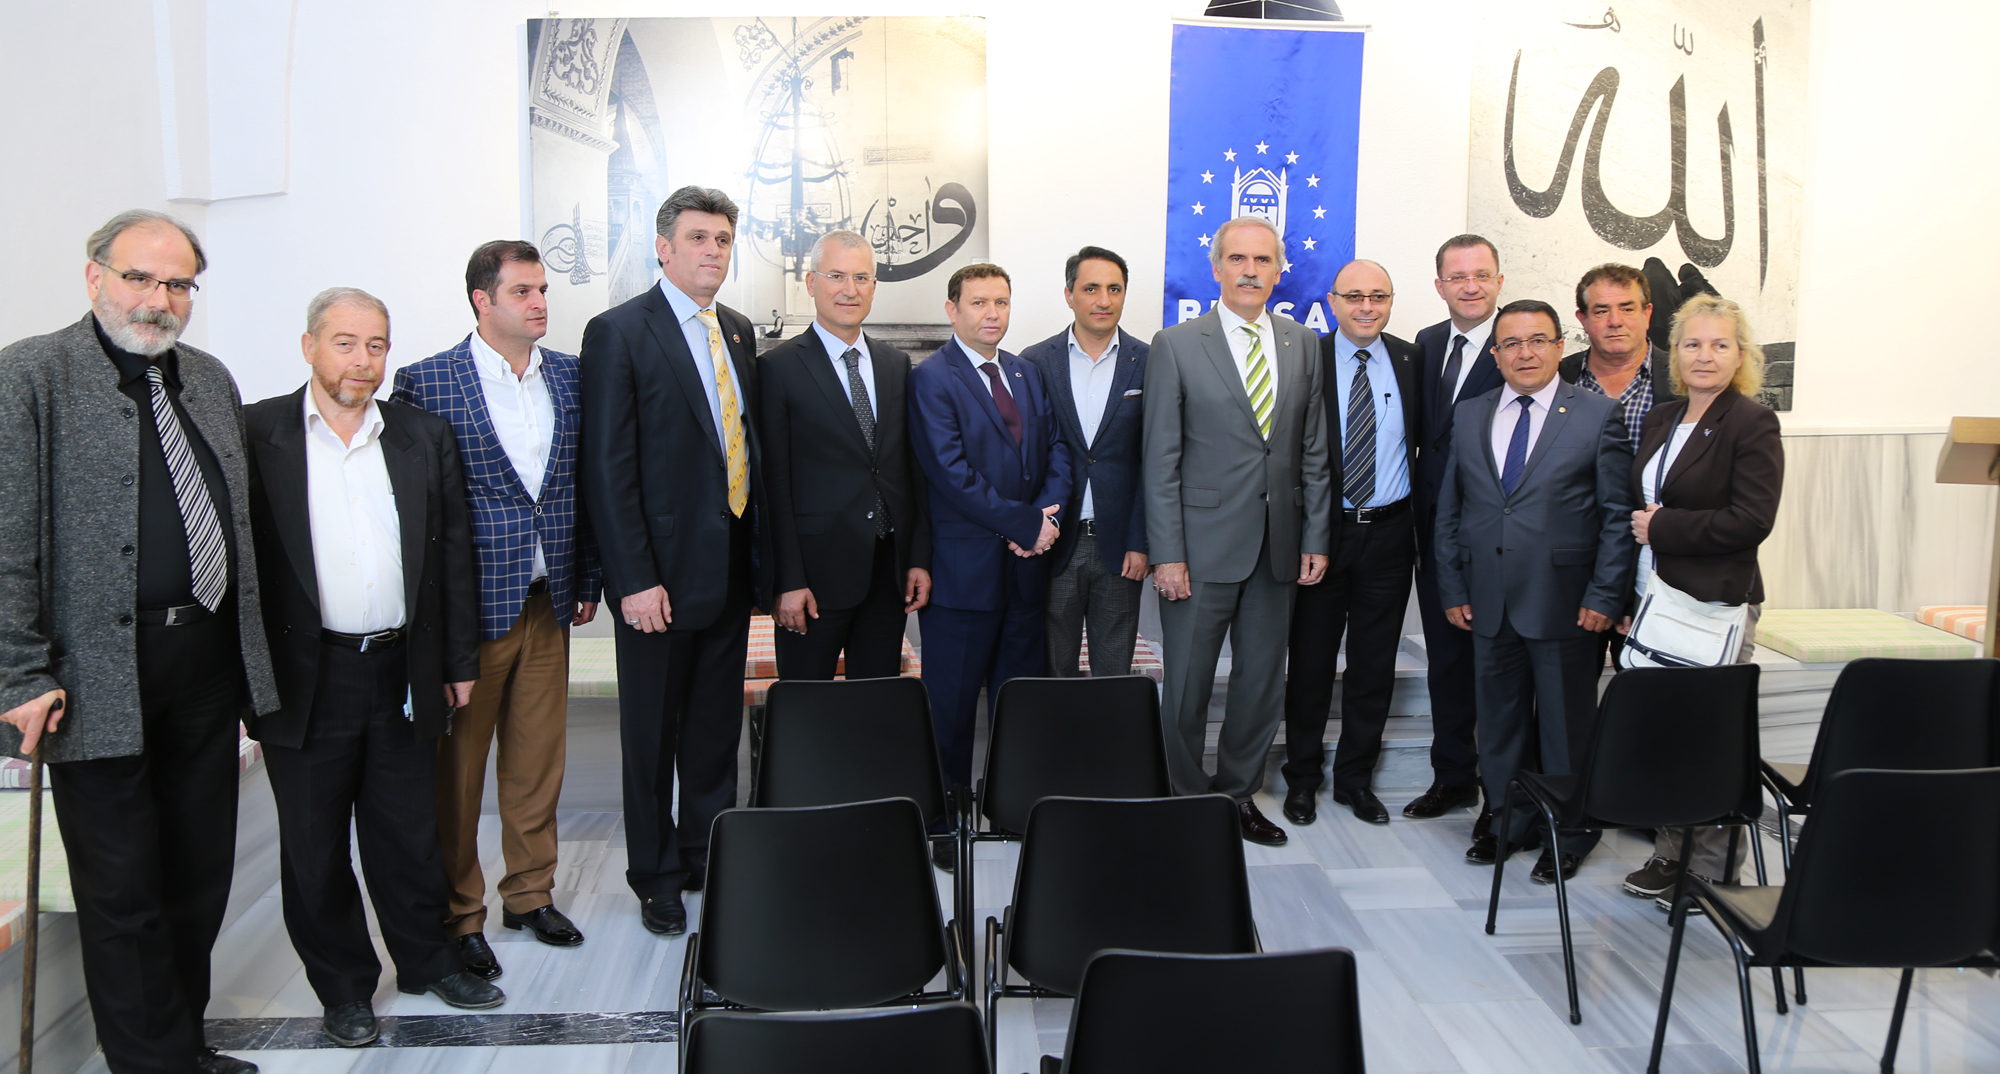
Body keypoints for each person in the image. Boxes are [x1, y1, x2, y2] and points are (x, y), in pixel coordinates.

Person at [0, 211, 275, 1074]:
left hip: (204, 664)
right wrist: (19, 671)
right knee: (123, 889)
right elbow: (6, 539)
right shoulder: (30, 375)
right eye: (139, 278)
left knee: (198, 871)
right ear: (95, 277)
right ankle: (150, 1064)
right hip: (93, 676)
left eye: (178, 283)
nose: (159, 299)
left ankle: (179, 1045)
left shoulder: (208, 378)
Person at [244, 287, 500, 1047]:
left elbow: (452, 557)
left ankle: (426, 961)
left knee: (409, 832)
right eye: (346, 343)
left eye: (377, 345)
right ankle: (345, 988)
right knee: (314, 846)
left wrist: (456, 661)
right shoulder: (257, 433)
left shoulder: (421, 434)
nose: (363, 361)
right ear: (309, 347)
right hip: (305, 674)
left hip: (402, 668)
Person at [390, 240, 601, 977]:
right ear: (482, 300)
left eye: (543, 290)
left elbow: (582, 486)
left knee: (537, 763)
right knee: (458, 773)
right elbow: (415, 510)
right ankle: (460, 914)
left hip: (549, 601)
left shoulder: (571, 376)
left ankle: (530, 895)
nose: (540, 303)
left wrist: (588, 577)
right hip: (469, 612)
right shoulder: (426, 381)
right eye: (522, 292)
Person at [579, 186, 765, 938]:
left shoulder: (739, 331)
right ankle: (655, 875)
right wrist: (632, 579)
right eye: (697, 238)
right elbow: (607, 468)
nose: (712, 251)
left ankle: (703, 857)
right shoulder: (619, 332)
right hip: (656, 580)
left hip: (728, 572)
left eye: (722, 239)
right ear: (663, 248)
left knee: (715, 732)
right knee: (652, 739)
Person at [1142, 215, 1331, 847]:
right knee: (1187, 687)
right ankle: (1183, 799)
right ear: (1216, 266)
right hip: (1199, 550)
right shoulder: (1176, 344)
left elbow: (1312, 451)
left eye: (1263, 260)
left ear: (1280, 270)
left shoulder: (1302, 343)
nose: (1251, 271)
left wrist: (1314, 537)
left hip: (1278, 547)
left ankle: (1237, 796)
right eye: (1238, 259)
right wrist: (1167, 553)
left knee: (1260, 684)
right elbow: (1160, 460)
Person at [1434, 298, 1636, 884]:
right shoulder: (1470, 414)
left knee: (1566, 728)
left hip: (1567, 603)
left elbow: (1616, 516)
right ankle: (1507, 820)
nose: (1525, 353)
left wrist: (1605, 596)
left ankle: (1569, 834)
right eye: (1512, 344)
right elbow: (1452, 509)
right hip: (1487, 600)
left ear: (1560, 346)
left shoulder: (1598, 415)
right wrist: (1452, 586)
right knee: (1498, 724)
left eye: (1538, 341)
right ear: (1496, 354)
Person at [1615, 293, 1783, 908]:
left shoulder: (1751, 422)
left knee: (1707, 737)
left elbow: (1752, 520)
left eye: (1719, 345)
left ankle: (1709, 871)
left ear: (1740, 355)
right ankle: (1670, 853)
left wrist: (1663, 528)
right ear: (1676, 354)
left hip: (1714, 604)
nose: (1704, 356)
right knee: (1664, 735)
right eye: (1692, 344)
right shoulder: (1664, 417)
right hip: (1654, 597)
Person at [908, 263, 1070, 790]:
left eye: (1001, 302)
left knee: (1018, 704)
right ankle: (945, 815)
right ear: (952, 310)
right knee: (951, 710)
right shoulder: (932, 378)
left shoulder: (1025, 373)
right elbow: (951, 473)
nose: (992, 313)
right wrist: (1027, 525)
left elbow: (1057, 450)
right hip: (964, 577)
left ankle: (1013, 805)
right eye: (978, 302)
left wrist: (1047, 519)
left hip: (1026, 574)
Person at [1280, 260, 1421, 827]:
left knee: (1373, 665)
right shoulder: (1306, 358)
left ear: (1391, 302)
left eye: (1378, 296)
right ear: (1332, 301)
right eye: (1355, 296)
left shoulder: (1412, 360)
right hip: (1323, 534)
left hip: (1389, 533)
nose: (1367, 307)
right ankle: (1302, 779)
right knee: (1311, 664)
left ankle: (1356, 781)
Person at [760, 230, 930, 680]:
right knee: (806, 706)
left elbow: (908, 471)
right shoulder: (777, 368)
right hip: (813, 580)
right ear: (811, 282)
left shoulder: (895, 365)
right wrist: (787, 581)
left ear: (874, 286)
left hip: (887, 574)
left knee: (876, 705)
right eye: (836, 276)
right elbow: (773, 484)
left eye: (861, 277)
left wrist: (916, 557)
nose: (849, 289)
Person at [1407, 235, 1507, 825]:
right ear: (1440, 285)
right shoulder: (1426, 343)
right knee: (1445, 661)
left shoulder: (1518, 341)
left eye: (1481, 275)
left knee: (1496, 668)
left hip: (1496, 533)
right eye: (1458, 277)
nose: (1471, 286)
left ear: (1499, 281)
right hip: (1434, 533)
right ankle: (1452, 777)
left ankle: (1502, 792)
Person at [1021, 246, 1149, 677]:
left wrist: (1141, 540)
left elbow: (1154, 459)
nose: (1103, 300)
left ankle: (1108, 729)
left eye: (1115, 289)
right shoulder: (1034, 362)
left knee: (1113, 673)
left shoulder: (1150, 361)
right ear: (1069, 294)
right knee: (1052, 671)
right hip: (1055, 542)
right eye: (1091, 288)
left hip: (1121, 547)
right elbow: (1026, 458)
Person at [1559, 262, 1683, 671]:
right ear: (1582, 319)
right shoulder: (1557, 378)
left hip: (1660, 569)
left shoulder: (1684, 379)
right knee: (1569, 693)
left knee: (1653, 697)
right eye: (1601, 310)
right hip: (1574, 573)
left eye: (1627, 308)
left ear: (1648, 313)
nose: (1615, 321)